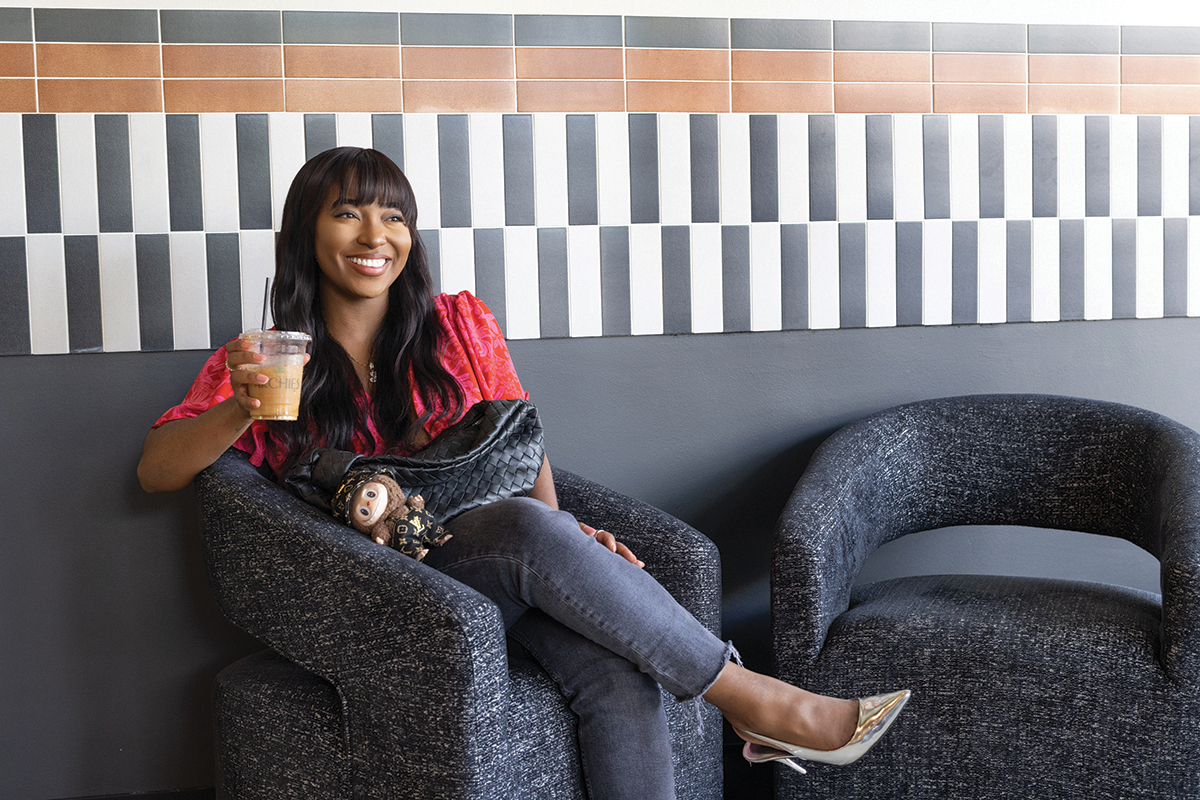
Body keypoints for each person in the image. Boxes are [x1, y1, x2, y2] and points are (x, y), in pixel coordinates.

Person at [137, 146, 908, 798]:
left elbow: (520, 447)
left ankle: (748, 705)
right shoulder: (268, 356)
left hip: (501, 568)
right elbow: (157, 471)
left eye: (394, 215)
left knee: (612, 663)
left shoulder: (456, 328)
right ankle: (754, 700)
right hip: (385, 597)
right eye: (347, 213)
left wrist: (565, 542)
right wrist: (247, 407)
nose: (375, 234)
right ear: (307, 230)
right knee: (532, 542)